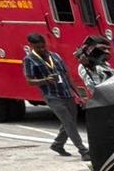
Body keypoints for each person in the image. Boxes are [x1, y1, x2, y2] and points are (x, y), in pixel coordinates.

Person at [22, 32, 89, 160]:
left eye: (43, 46)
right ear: (31, 46)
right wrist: (45, 80)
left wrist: (78, 94)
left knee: (70, 122)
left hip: (67, 94)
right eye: (38, 47)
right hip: (52, 96)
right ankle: (83, 150)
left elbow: (68, 76)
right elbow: (29, 81)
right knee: (68, 122)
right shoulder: (29, 60)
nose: (42, 49)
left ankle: (58, 144)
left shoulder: (55, 56)